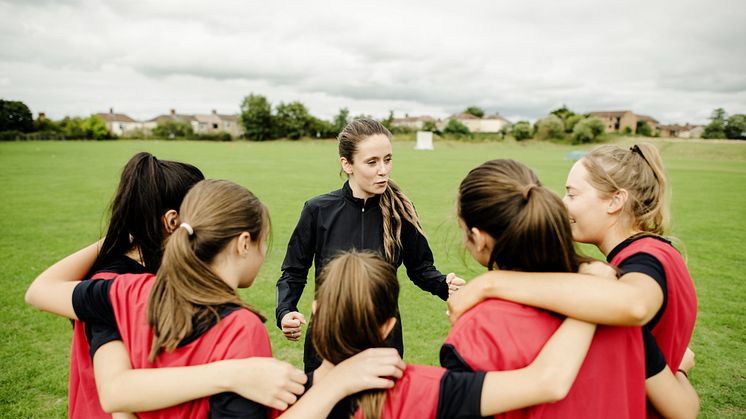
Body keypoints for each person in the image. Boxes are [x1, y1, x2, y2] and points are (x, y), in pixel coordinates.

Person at [27, 179, 401, 418]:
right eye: (261, 241)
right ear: (243, 243)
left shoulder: (123, 289)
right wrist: (336, 383)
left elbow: (41, 290)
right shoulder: (240, 328)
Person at [448, 148, 699, 418]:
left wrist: (491, 283)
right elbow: (683, 408)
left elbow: (634, 304)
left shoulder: (631, 276)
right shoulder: (640, 262)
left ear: (615, 201)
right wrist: (678, 370)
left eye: (572, 193)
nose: (562, 204)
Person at [306, 250, 596, 418]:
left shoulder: (278, 392)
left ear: (316, 311)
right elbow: (548, 382)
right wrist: (593, 297)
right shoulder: (429, 389)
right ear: (389, 326)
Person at [276, 118, 464, 371]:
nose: (383, 170)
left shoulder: (401, 212)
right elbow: (294, 272)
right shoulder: (317, 210)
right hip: (327, 344)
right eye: (372, 162)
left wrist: (446, 286)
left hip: (383, 342)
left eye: (387, 159)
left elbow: (421, 269)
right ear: (347, 164)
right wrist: (286, 310)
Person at [68, 151, 205, 419]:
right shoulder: (113, 285)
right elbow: (119, 403)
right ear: (172, 221)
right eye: (205, 214)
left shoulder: (158, 270)